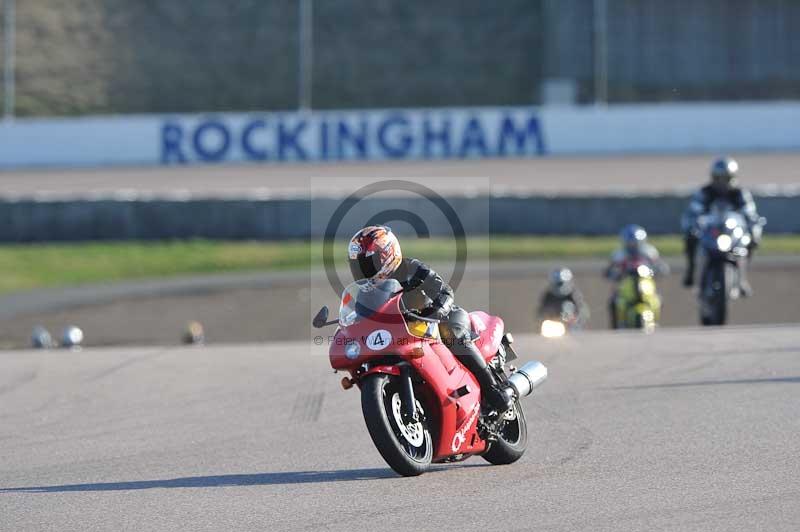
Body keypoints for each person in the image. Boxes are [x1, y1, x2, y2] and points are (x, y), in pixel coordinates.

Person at [348, 225, 514, 413]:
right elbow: (363, 317)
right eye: (358, 266)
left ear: (387, 255)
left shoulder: (411, 268)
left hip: (441, 318)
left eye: (368, 264)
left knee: (451, 334)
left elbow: (444, 290)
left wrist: (437, 310)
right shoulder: (366, 294)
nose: (363, 271)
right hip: (406, 335)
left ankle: (493, 390)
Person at [680, 157, 763, 296]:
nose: (722, 183)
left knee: (745, 247)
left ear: (732, 178)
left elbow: (750, 213)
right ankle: (691, 271)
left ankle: (742, 278)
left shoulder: (740, 194)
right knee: (691, 239)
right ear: (713, 177)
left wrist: (754, 230)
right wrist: (692, 225)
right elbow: (694, 211)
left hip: (732, 235)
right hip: (710, 233)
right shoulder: (705, 192)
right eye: (718, 178)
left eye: (725, 178)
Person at [605, 224, 669, 328]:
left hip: (646, 284)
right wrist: (615, 274)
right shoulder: (619, 255)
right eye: (630, 243)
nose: (633, 245)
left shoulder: (650, 253)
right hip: (625, 285)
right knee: (613, 301)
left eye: (635, 243)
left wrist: (656, 271)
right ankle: (616, 325)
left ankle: (656, 320)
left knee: (658, 299)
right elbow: (609, 271)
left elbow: (660, 266)